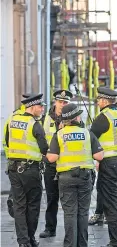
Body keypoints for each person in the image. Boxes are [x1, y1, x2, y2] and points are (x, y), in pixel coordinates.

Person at [46, 103, 104, 247]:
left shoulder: (59, 134)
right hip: (85, 178)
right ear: (76, 117)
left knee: (70, 213)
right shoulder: (86, 133)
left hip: (66, 179)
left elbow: (51, 158)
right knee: (83, 213)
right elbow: (99, 156)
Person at [90, 87, 117, 247]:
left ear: (104, 101)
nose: (98, 103)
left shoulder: (103, 117)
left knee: (111, 202)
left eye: (99, 100)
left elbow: (90, 140)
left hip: (109, 163)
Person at [5, 94, 48, 247]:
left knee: (19, 205)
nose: (42, 109)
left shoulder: (12, 120)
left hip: (13, 169)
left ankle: (22, 241)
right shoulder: (34, 124)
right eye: (40, 106)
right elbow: (44, 148)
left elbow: (8, 141)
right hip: (30, 170)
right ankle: (30, 238)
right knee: (33, 205)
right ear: (32, 107)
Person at [40, 89, 72, 238]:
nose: (62, 105)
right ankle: (50, 228)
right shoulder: (44, 119)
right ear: (55, 102)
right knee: (52, 197)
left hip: (67, 164)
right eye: (60, 102)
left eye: (65, 102)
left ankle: (70, 231)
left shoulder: (74, 118)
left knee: (68, 199)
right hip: (51, 164)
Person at [3, 94, 30, 218]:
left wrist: (9, 154)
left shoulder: (12, 116)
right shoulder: (30, 118)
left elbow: (6, 138)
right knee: (25, 186)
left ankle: (13, 199)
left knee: (16, 184)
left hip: (12, 156)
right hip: (27, 159)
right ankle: (19, 208)